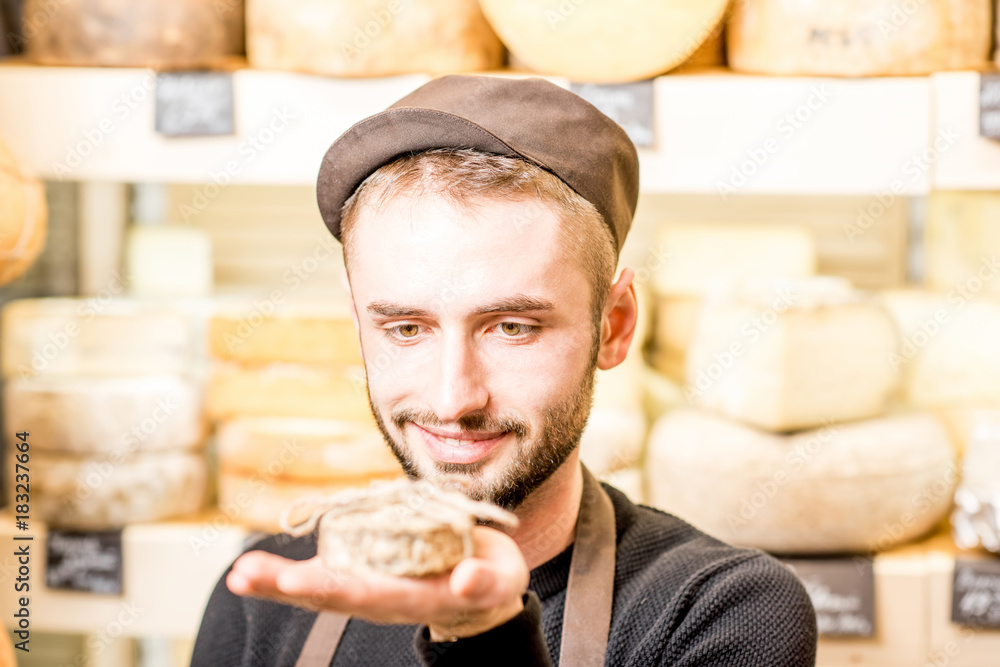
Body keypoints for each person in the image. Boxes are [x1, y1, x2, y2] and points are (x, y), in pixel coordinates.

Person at [191, 74, 818, 667]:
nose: (452, 398)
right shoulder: (267, 601)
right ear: (357, 321)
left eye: (512, 328)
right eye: (406, 329)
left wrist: (484, 636)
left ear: (615, 325)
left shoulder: (720, 611)